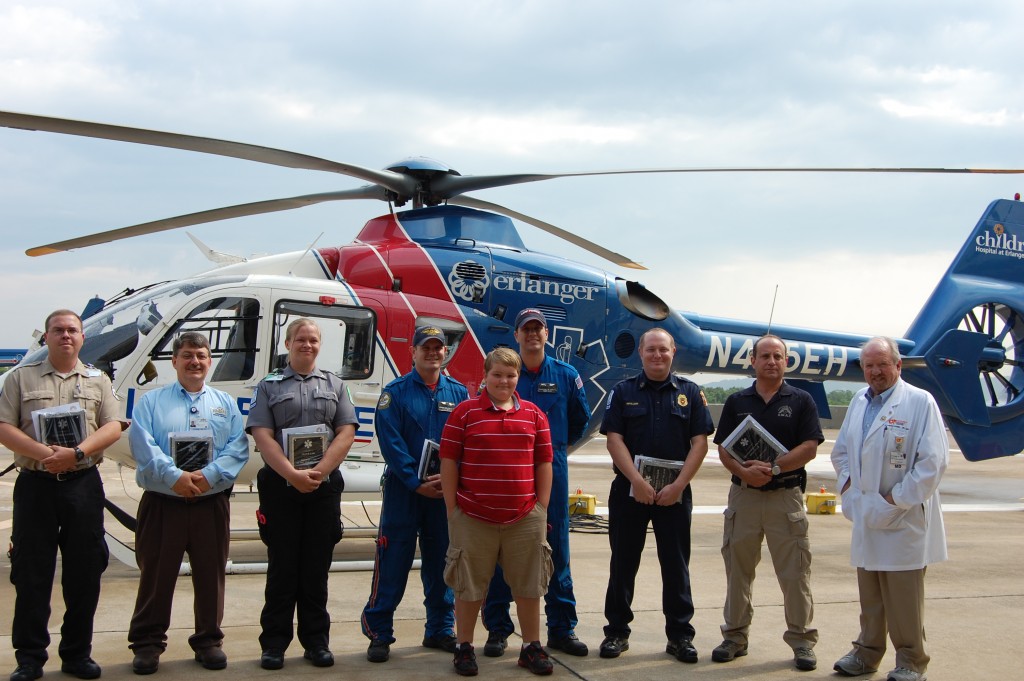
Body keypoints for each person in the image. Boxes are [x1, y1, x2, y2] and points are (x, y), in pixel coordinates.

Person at [0, 309, 125, 681]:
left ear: (82, 338)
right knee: (31, 573)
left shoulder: (98, 381)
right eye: (58, 330)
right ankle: (29, 658)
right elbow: (3, 426)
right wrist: (47, 457)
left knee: (84, 573)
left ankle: (76, 653)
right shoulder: (19, 380)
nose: (66, 336)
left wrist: (76, 455)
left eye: (72, 330)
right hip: (36, 486)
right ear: (47, 338)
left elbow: (113, 426)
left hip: (82, 485)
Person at [126, 332, 250, 674]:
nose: (195, 361)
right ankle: (148, 643)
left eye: (201, 355)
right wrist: (174, 477)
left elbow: (237, 448)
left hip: (210, 504)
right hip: (163, 503)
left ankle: (208, 640)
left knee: (211, 574)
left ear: (209, 361)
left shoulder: (224, 403)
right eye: (187, 355)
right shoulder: (151, 403)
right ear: (175, 361)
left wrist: (208, 476)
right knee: (156, 575)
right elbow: (143, 445)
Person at [831, 337, 948, 681]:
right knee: (871, 593)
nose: (875, 371)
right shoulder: (858, 401)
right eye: (869, 365)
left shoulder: (919, 402)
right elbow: (841, 453)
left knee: (903, 597)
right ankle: (866, 654)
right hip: (866, 513)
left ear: (898, 366)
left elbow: (933, 463)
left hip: (903, 516)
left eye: (883, 364)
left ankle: (911, 661)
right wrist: (851, 491)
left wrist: (895, 500)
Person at [246, 318, 358, 670]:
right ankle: (274, 644)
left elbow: (346, 431)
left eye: (312, 340)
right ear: (287, 342)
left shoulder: (336, 385)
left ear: (318, 345)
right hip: (281, 487)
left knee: (315, 568)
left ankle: (316, 642)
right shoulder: (268, 386)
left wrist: (320, 471)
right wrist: (292, 474)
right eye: (300, 339)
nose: (306, 345)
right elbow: (262, 433)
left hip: (322, 489)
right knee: (282, 568)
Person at [598, 327, 714, 663]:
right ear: (641, 352)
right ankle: (616, 633)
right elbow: (613, 439)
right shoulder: (622, 392)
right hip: (629, 492)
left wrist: (678, 485)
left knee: (676, 567)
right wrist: (635, 479)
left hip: (674, 495)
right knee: (622, 564)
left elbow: (700, 443)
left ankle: (680, 637)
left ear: (673, 351)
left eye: (663, 349)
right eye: (651, 349)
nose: (657, 355)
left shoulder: (691, 393)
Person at [439, 348, 555, 676]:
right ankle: (464, 648)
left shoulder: (534, 415)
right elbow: (449, 461)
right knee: (468, 586)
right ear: (485, 377)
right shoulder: (464, 413)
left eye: (510, 375)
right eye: (497, 375)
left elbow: (544, 463)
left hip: (524, 518)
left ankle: (531, 646)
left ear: (518, 378)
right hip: (474, 516)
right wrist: (453, 509)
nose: (504, 381)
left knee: (530, 586)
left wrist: (541, 508)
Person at [710, 334, 823, 671]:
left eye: (778, 356)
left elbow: (810, 447)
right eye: (765, 356)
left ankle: (802, 641)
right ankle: (734, 636)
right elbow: (724, 448)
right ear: (753, 362)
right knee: (738, 571)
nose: (771, 361)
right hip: (744, 496)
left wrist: (773, 468)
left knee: (794, 573)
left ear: (786, 362)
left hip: (785, 496)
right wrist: (743, 469)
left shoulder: (801, 400)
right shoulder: (736, 401)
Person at [482, 309, 590, 658]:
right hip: (507, 471)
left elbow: (580, 423)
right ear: (516, 335)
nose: (532, 334)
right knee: (500, 550)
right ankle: (498, 629)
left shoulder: (566, 374)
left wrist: (553, 452)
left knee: (555, 547)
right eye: (525, 329)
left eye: (537, 329)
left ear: (547, 334)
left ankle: (561, 628)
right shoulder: (504, 374)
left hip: (550, 469)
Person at [360, 325, 469, 662]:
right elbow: (390, 443)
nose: (433, 353)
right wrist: (414, 480)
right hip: (404, 492)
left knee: (442, 561)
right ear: (413, 351)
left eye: (439, 348)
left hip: (443, 494)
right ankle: (379, 631)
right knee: (393, 559)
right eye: (427, 347)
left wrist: (451, 484)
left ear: (446, 352)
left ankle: (439, 629)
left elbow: (467, 439)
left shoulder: (460, 393)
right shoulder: (395, 393)